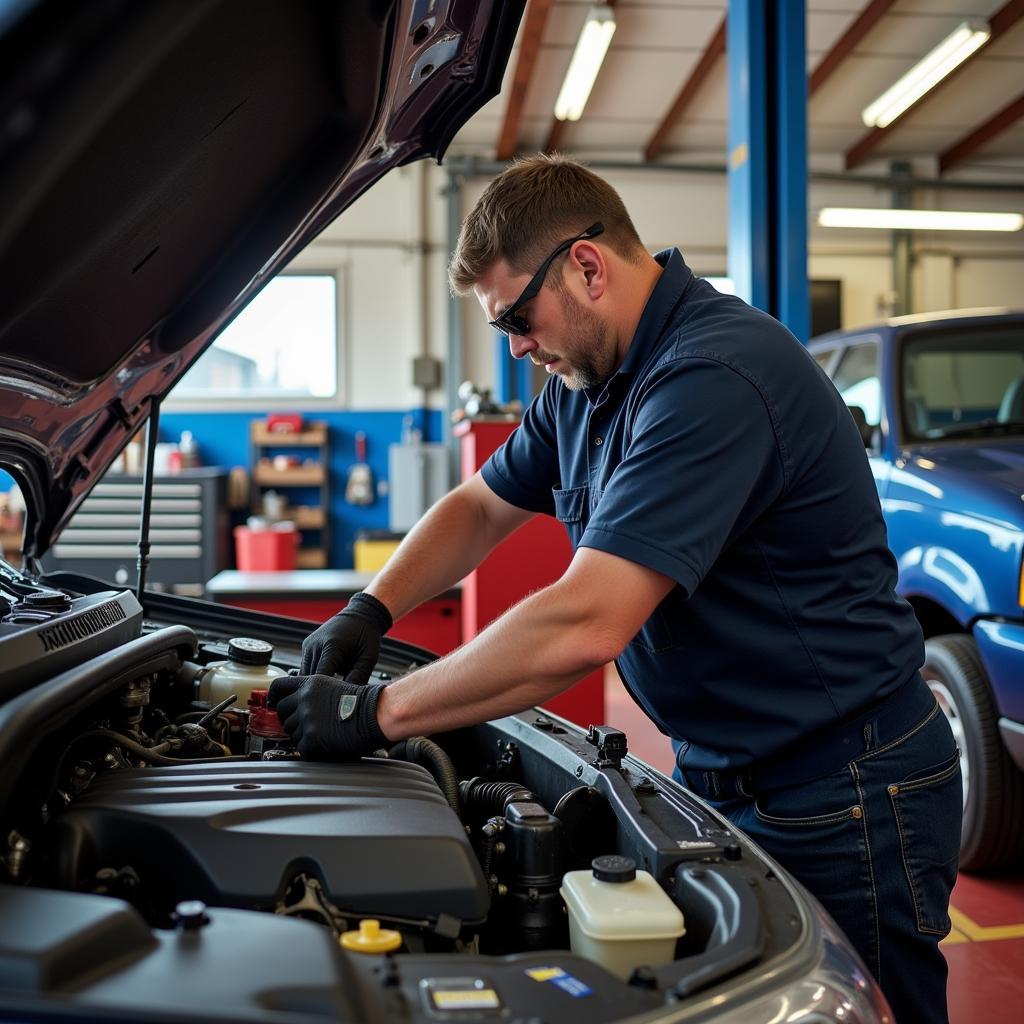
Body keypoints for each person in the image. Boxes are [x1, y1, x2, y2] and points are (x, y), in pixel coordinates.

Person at [268, 154, 961, 1023]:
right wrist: (371, 608)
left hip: (845, 789)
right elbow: (480, 507)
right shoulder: (586, 383)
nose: (517, 347)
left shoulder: (712, 376)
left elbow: (587, 622)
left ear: (587, 267)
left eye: (518, 317)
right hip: (726, 771)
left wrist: (377, 714)